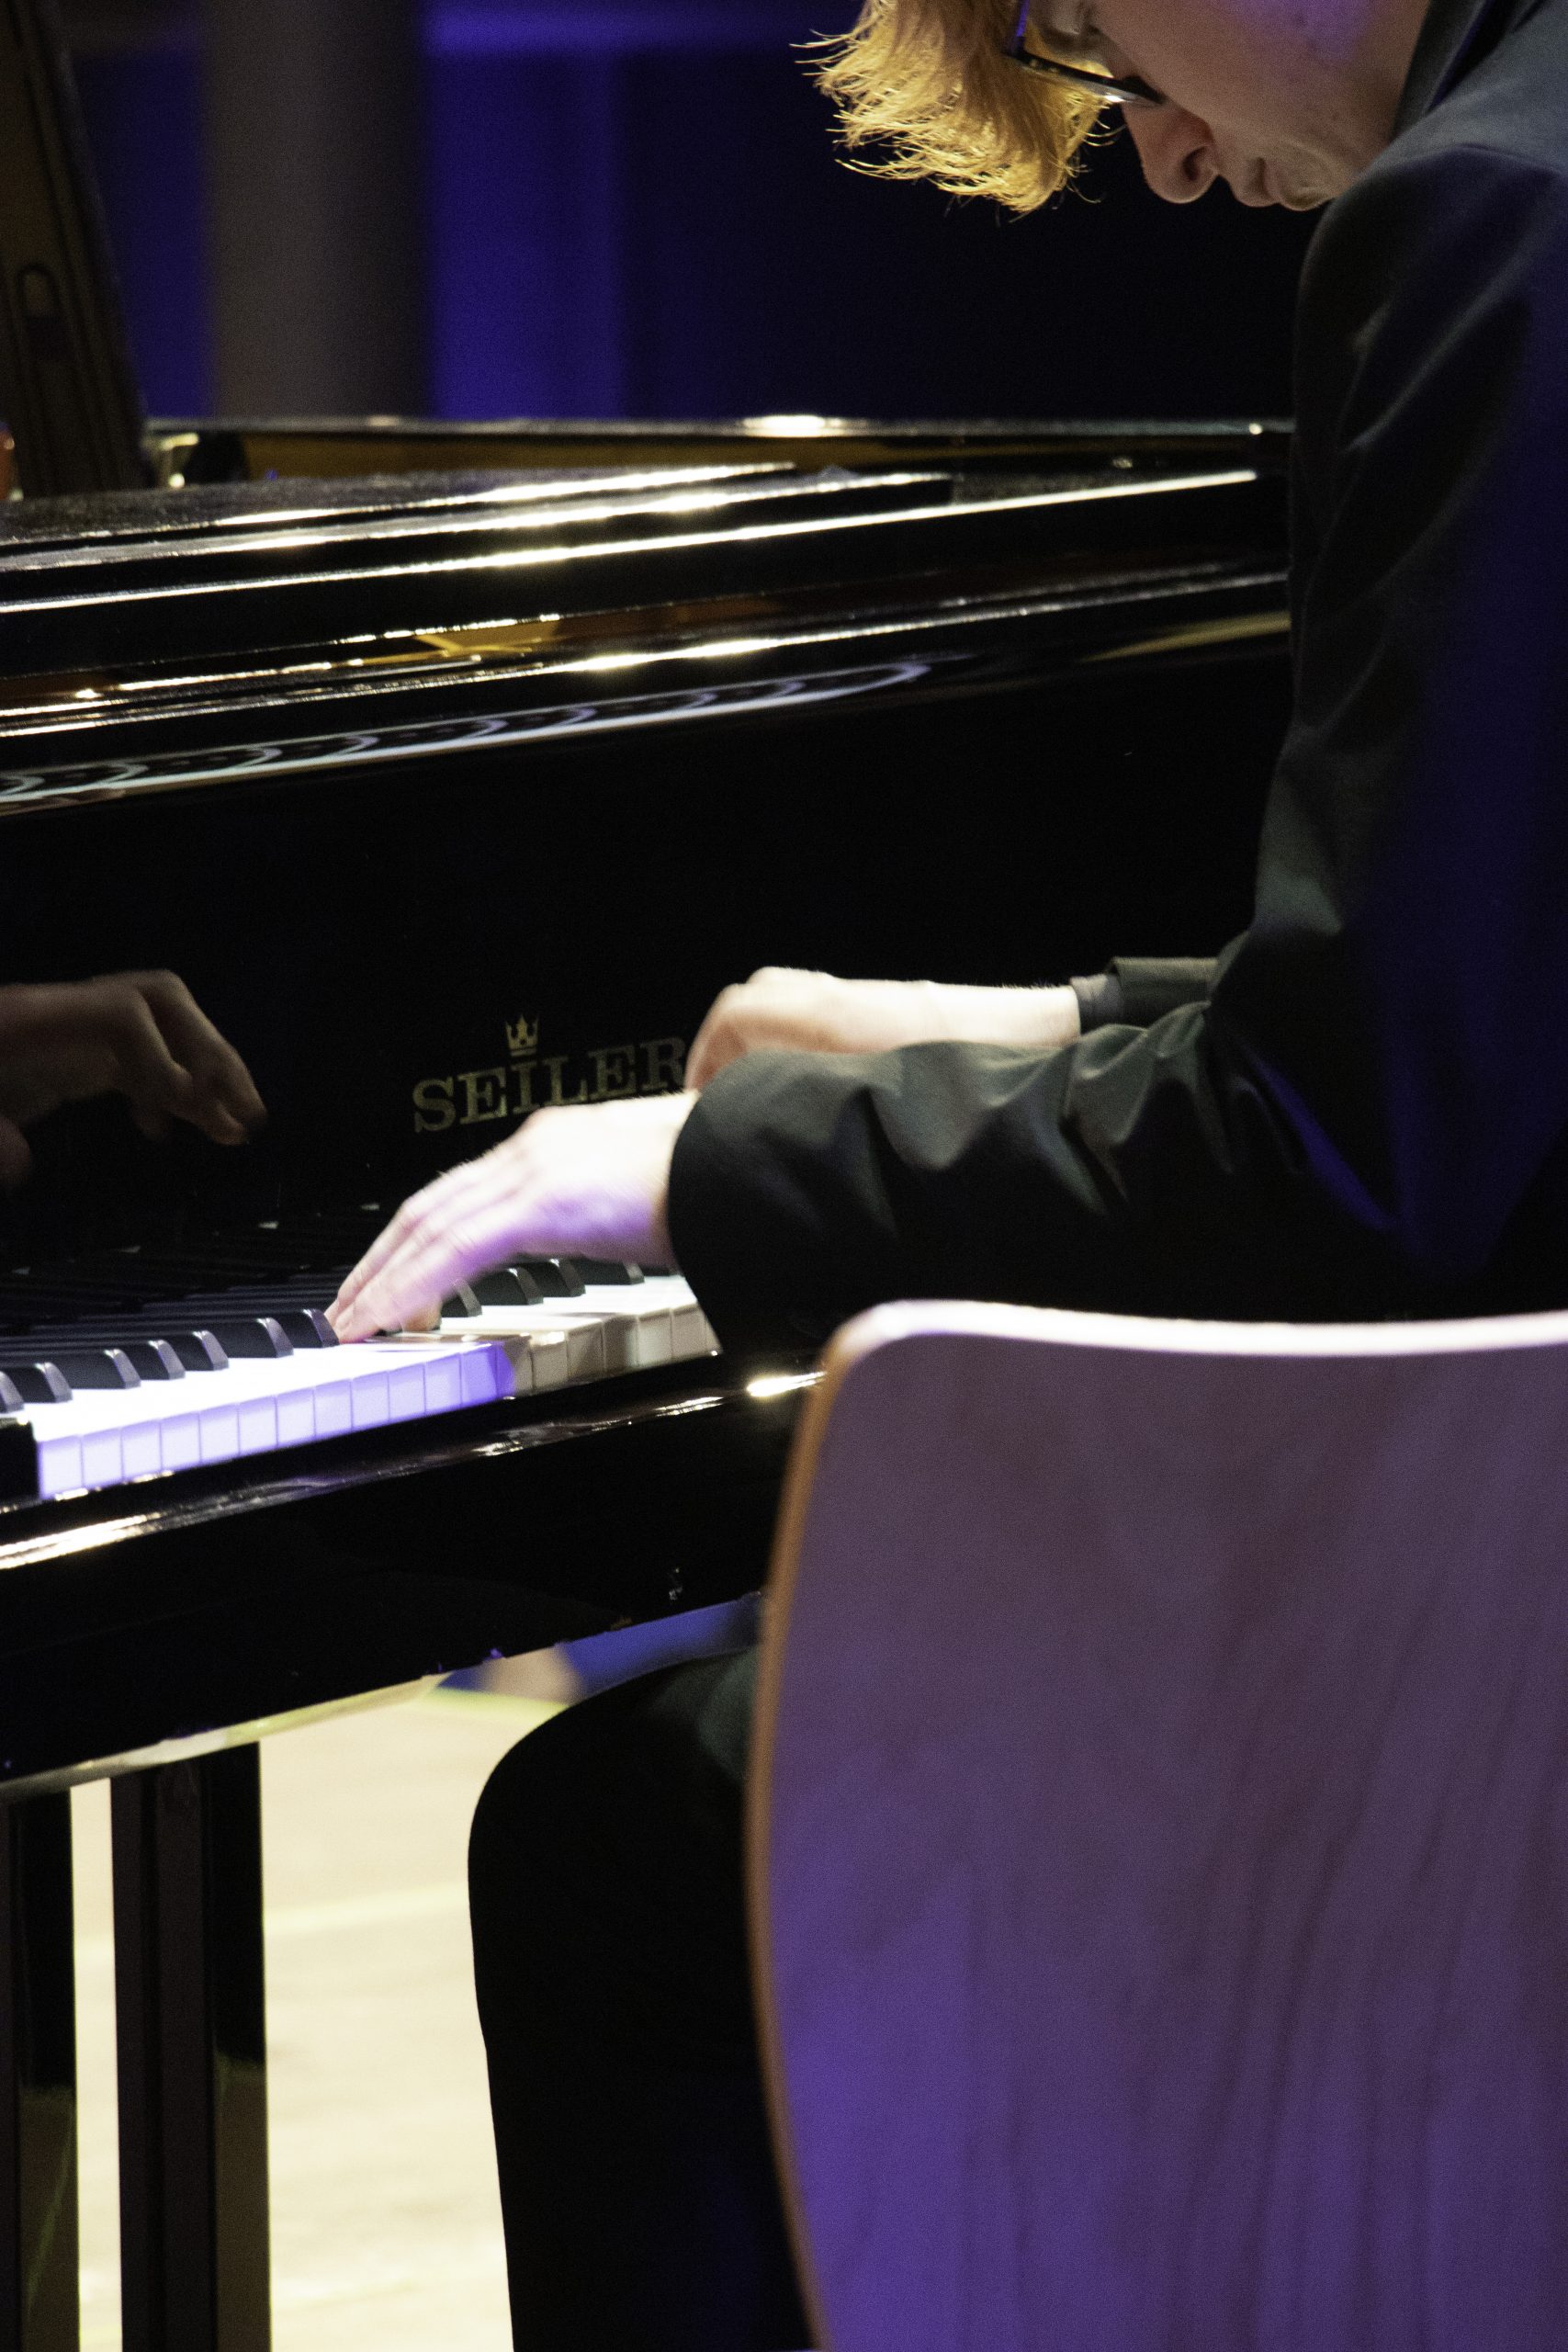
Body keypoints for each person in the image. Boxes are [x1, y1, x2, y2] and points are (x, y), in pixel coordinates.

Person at [328, 0, 1568, 2338]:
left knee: (614, 1843)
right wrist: (1046, 1027)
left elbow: (1337, 1162)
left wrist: (717, 1161)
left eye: (1087, 36)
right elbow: (1486, 986)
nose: (1159, 161)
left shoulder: (1487, 217)